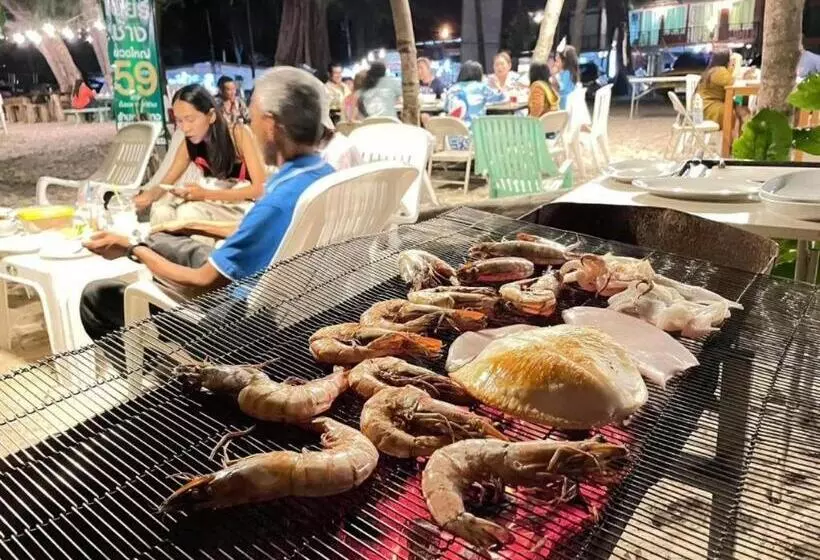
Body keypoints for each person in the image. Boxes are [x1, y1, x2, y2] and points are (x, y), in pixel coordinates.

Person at [79, 66, 336, 341]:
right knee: (163, 240)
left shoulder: (276, 201)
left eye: (254, 118)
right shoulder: (325, 175)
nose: (252, 126)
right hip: (304, 304)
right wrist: (190, 224)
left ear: (271, 126)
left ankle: (171, 370)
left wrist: (132, 249)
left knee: (95, 298)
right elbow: (267, 229)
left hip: (244, 328)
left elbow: (201, 283)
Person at [133, 84, 266, 228]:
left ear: (211, 116)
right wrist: (145, 198)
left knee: (188, 213)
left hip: (240, 206)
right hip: (209, 202)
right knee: (161, 211)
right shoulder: (189, 143)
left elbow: (260, 188)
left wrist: (205, 194)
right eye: (179, 121)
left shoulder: (238, 134)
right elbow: (167, 181)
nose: (185, 128)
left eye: (190, 120)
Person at [444, 60, 506, 150]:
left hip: (452, 142)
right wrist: (497, 85)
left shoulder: (452, 89)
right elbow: (502, 97)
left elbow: (445, 108)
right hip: (474, 140)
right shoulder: (481, 87)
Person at [695, 49, 733, 128]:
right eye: (731, 58)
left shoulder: (712, 70)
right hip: (709, 107)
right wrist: (733, 67)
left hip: (702, 106)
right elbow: (732, 83)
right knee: (733, 114)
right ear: (726, 60)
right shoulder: (720, 71)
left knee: (741, 110)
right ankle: (730, 139)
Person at [553, 46, 580, 110]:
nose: (555, 64)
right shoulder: (569, 73)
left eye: (557, 61)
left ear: (564, 62)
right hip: (566, 104)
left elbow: (562, 87)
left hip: (564, 105)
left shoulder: (566, 73)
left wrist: (554, 75)